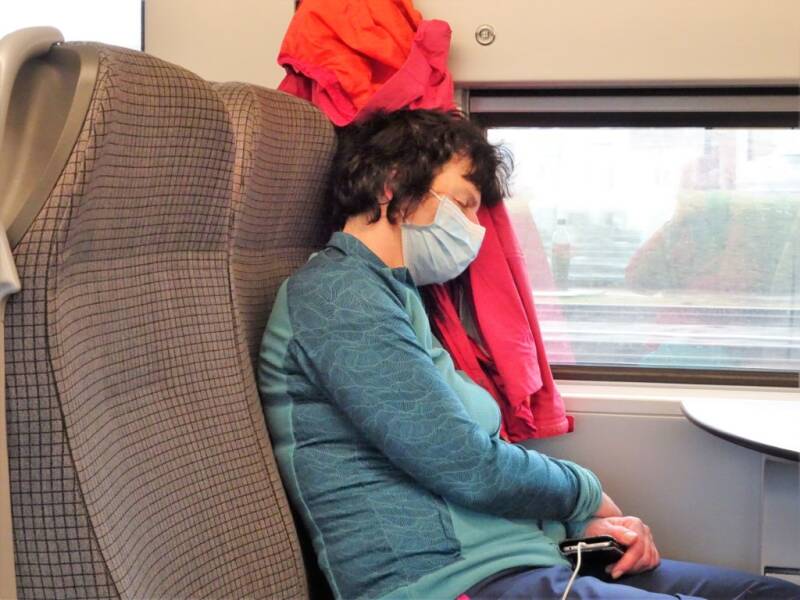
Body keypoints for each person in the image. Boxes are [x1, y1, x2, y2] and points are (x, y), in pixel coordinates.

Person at [257, 109, 800, 600]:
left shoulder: (399, 296)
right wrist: (587, 495)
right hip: (448, 581)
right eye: (463, 204)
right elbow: (466, 466)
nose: (474, 230)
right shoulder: (338, 296)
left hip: (525, 561)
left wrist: (579, 528)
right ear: (392, 184)